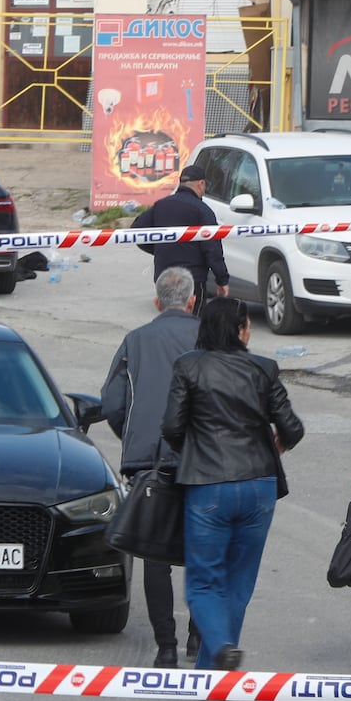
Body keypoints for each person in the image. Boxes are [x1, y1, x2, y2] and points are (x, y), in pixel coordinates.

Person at [161, 297, 304, 671]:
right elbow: (292, 428)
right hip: (259, 486)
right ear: (241, 330)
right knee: (238, 585)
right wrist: (280, 443)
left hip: (208, 486)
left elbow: (172, 428)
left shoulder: (188, 367)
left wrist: (194, 449)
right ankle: (215, 673)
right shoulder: (264, 368)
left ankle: (220, 651)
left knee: (204, 584)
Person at [101, 266, 203, 669]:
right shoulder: (207, 339)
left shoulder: (135, 340)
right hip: (202, 461)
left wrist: (132, 434)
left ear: (158, 302)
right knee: (203, 549)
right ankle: (198, 638)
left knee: (154, 555)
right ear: (193, 300)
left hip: (150, 460)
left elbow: (112, 404)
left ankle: (165, 648)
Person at [132, 164, 230, 313]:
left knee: (168, 321)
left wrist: (159, 249)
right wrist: (222, 279)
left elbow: (136, 231)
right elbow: (212, 249)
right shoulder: (202, 210)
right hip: (192, 280)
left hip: (164, 276)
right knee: (193, 326)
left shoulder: (161, 205)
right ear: (201, 183)